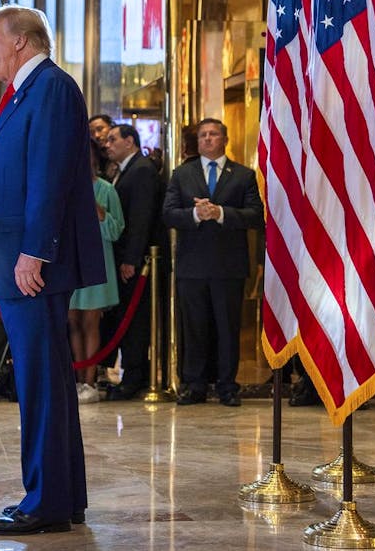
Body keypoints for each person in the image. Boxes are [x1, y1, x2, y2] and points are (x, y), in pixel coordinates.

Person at [0, 5, 105, 536]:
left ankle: (44, 504)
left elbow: (48, 175)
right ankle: (61, 498)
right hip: (14, 259)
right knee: (45, 382)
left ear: (22, 41)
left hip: (28, 266)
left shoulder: (49, 87)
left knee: (41, 383)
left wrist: (35, 251)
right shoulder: (27, 91)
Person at [162, 117, 264, 406]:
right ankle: (194, 384)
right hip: (191, 266)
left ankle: (227, 386)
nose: (207, 139)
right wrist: (195, 215)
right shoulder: (182, 174)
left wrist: (220, 213)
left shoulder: (243, 175)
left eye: (213, 134)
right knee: (194, 327)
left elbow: (255, 215)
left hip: (228, 267)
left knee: (227, 327)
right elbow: (169, 213)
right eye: (203, 135)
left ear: (225, 139)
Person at [102, 123, 166, 400]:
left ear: (130, 141)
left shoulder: (140, 170)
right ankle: (129, 373)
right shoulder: (123, 170)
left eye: (113, 139)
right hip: (125, 258)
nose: (108, 144)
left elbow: (141, 218)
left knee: (136, 319)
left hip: (136, 261)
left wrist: (131, 259)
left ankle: (134, 376)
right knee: (126, 318)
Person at [70, 140, 124, 404]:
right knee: (73, 323)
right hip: (69, 262)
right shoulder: (64, 188)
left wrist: (100, 213)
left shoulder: (105, 189)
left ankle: (90, 382)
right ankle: (77, 379)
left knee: (91, 322)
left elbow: (117, 230)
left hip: (96, 262)